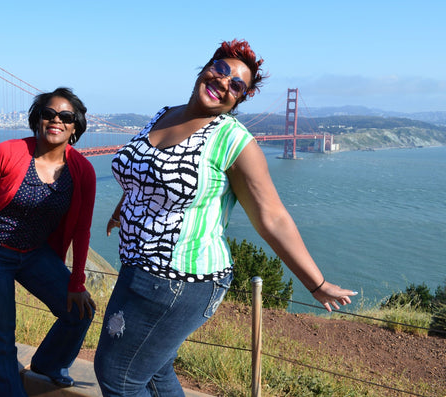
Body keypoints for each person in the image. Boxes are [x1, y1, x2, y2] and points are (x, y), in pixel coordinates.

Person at [93, 40, 357, 396]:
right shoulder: (163, 114)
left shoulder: (233, 141)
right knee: (155, 371)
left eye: (237, 86)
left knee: (118, 374)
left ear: (239, 100)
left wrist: (316, 283)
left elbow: (272, 217)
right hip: (137, 267)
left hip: (182, 279)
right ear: (205, 67)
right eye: (221, 70)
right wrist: (123, 207)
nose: (224, 83)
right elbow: (145, 170)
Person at [0, 87, 96, 397]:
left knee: (80, 311)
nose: (56, 120)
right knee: (1, 336)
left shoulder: (82, 170)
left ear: (75, 127)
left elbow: (83, 230)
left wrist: (77, 282)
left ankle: (49, 363)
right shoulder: (7, 152)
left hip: (34, 253)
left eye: (66, 116)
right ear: (38, 119)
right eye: (48, 114)